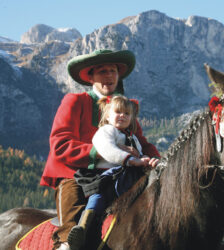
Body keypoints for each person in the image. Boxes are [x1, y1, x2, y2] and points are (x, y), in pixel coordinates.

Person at [40, 49, 160, 250]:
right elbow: (60, 144)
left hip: (117, 176)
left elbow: (142, 142)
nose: (109, 76)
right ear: (91, 77)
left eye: (113, 71)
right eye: (103, 71)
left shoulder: (124, 109)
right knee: (73, 215)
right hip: (76, 175)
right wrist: (103, 151)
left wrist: (156, 159)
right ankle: (66, 244)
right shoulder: (74, 101)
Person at [67, 95, 152, 250]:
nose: (122, 116)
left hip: (127, 177)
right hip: (107, 176)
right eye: (118, 112)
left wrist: (146, 160)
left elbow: (139, 154)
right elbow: (106, 148)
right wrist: (129, 159)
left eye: (127, 114)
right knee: (98, 196)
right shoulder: (106, 131)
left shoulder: (133, 139)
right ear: (107, 115)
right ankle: (83, 228)